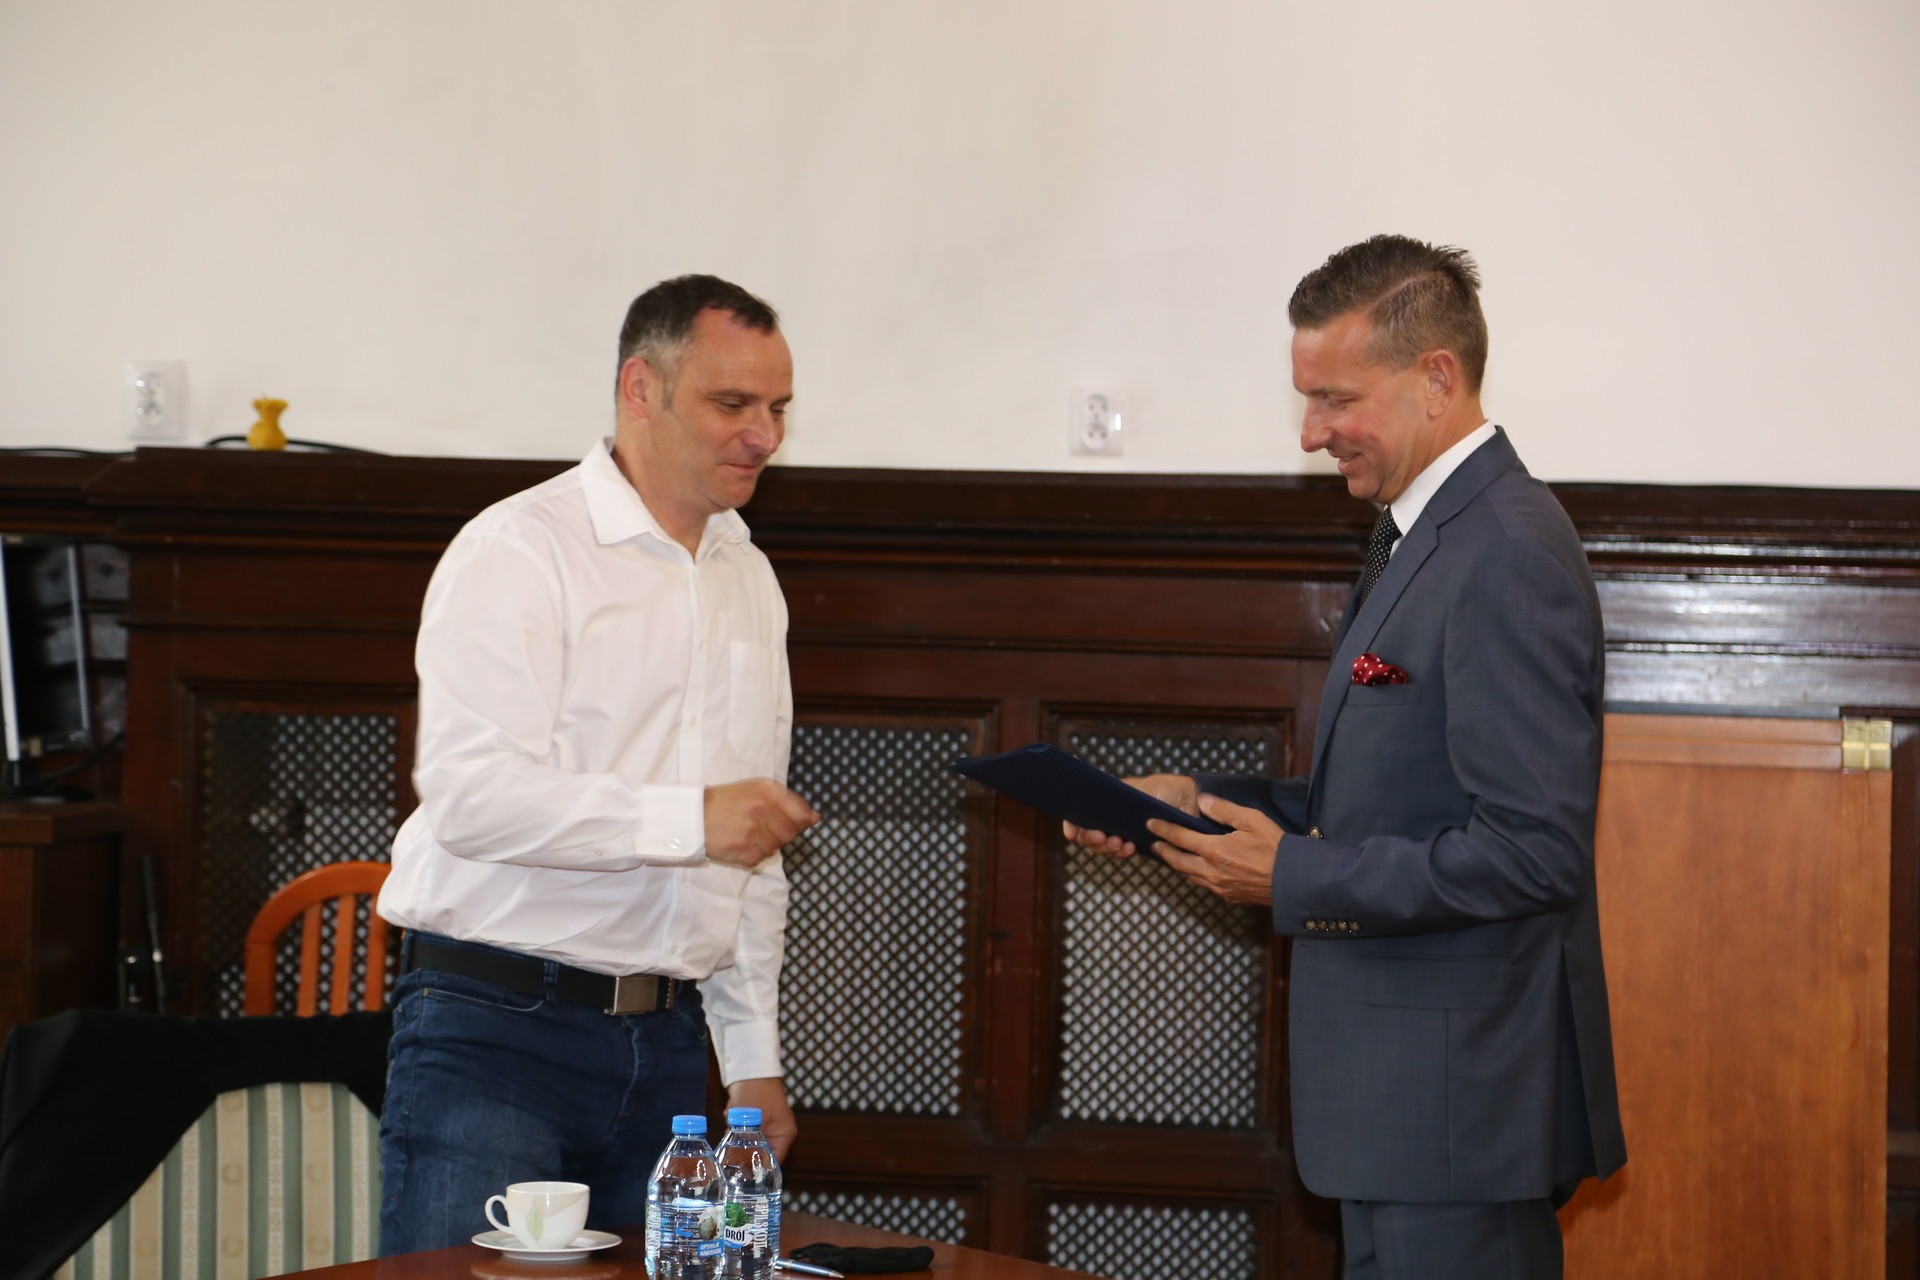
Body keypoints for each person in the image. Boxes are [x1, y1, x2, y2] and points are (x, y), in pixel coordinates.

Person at [1067, 236, 1626, 1279]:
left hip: (1457, 1116)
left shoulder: (1503, 549)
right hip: (1405, 1112)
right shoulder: (1425, 534)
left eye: (1336, 399)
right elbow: (1380, 801)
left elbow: (1534, 851)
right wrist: (1189, 805)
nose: (1312, 432)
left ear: (1437, 378)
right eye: (1307, 399)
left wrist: (1292, 876)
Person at [375, 275, 819, 1254]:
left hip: (669, 1047)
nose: (764, 435)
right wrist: (689, 820)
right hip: (496, 1031)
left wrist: (752, 1057)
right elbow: (469, 797)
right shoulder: (519, 549)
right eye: (733, 403)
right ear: (640, 388)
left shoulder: (749, 575)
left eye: (779, 407)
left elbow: (751, 837)